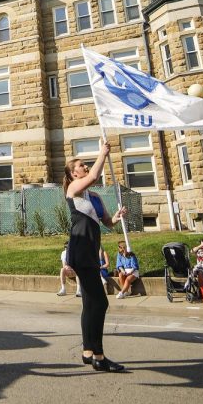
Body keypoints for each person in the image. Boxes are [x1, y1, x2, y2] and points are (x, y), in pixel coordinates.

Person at [64, 141, 127, 373]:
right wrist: (102, 153)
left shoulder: (95, 198)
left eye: (85, 164)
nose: (86, 166)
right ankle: (99, 356)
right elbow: (94, 176)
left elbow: (107, 223)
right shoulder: (73, 190)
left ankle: (88, 352)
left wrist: (117, 218)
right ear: (73, 174)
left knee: (90, 302)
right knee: (100, 302)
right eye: (82, 165)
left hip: (92, 249)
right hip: (80, 248)